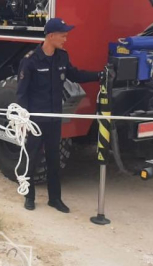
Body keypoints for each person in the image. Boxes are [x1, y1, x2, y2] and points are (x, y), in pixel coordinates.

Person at [16, 18, 101, 213]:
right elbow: (21, 93)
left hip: (55, 118)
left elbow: (75, 75)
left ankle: (55, 199)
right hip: (36, 120)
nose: (66, 39)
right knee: (32, 157)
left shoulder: (62, 57)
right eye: (63, 35)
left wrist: (99, 75)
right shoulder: (30, 60)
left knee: (54, 160)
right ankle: (29, 196)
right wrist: (23, 119)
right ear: (51, 36)